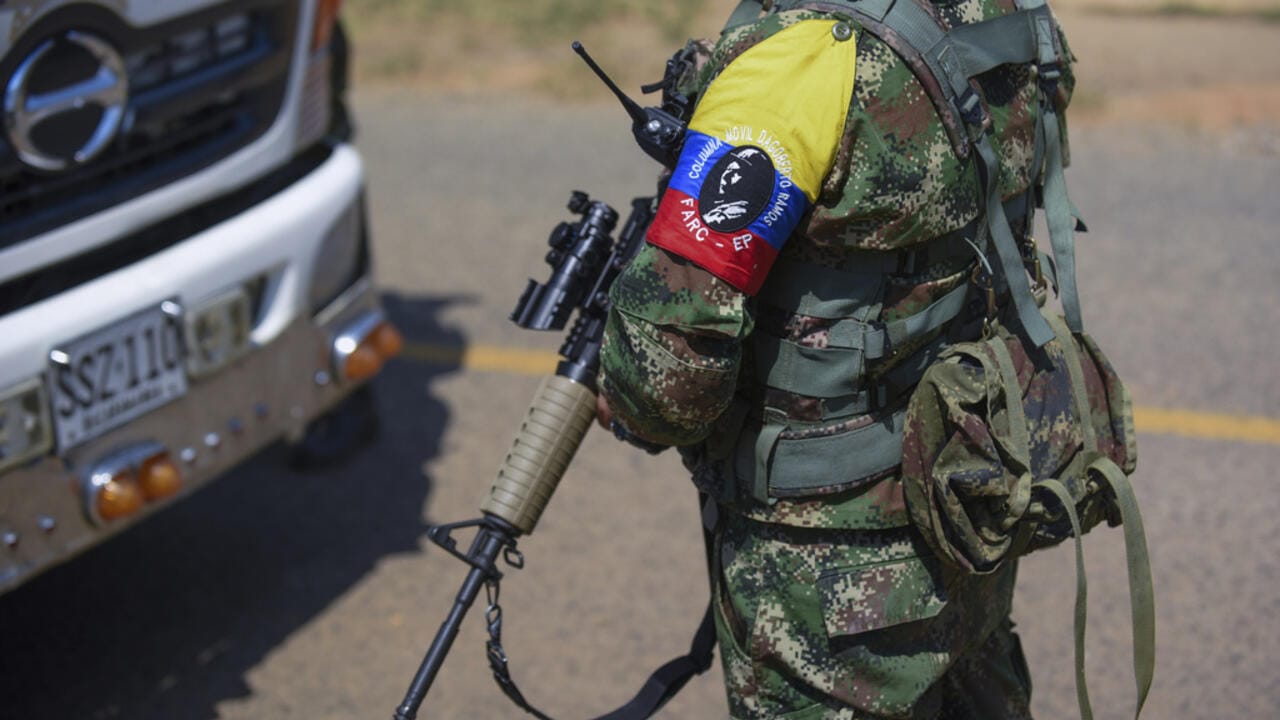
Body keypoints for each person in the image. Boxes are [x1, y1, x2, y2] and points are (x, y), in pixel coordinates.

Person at [596, 0, 1076, 717]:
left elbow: (668, 375)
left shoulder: (797, 63)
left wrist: (623, 396)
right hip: (966, 490)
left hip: (825, 562)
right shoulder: (1003, 14)